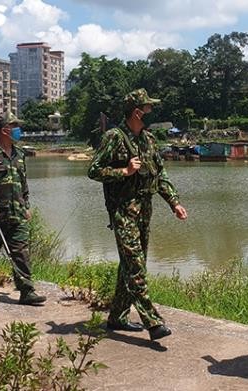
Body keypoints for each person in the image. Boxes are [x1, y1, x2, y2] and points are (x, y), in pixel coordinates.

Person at [88, 88, 188, 341]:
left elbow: (160, 174)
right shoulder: (114, 137)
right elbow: (94, 170)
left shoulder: (149, 139)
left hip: (145, 210)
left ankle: (117, 318)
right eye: (148, 108)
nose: (152, 112)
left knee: (130, 263)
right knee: (135, 265)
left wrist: (174, 202)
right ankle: (153, 322)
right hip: (123, 211)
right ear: (136, 112)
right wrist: (124, 171)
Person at [0, 111, 46, 305]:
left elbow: (23, 184)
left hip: (17, 213)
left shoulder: (19, 154)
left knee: (21, 252)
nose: (18, 130)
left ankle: (26, 291)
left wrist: (26, 205)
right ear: (4, 130)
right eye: (14, 126)